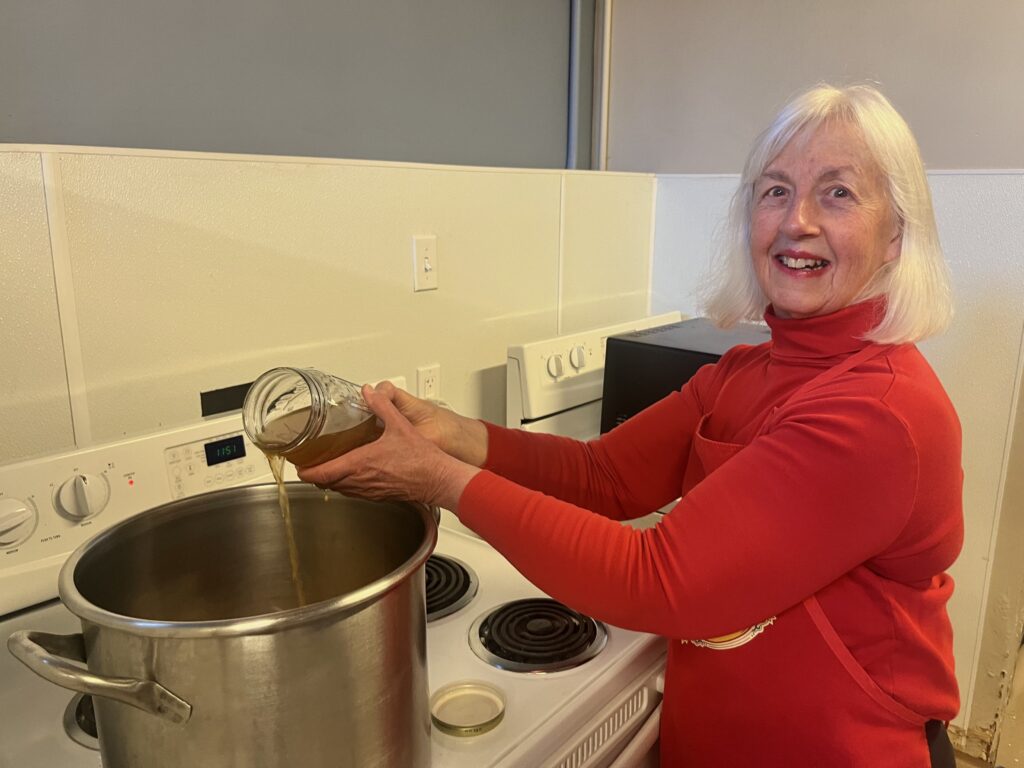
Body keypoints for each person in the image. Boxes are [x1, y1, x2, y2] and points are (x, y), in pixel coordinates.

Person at [298, 83, 963, 767]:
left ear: (895, 236)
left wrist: (440, 480)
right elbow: (605, 476)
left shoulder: (879, 414)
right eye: (775, 191)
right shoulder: (743, 373)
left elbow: (658, 580)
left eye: (838, 194)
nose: (797, 220)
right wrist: (452, 433)